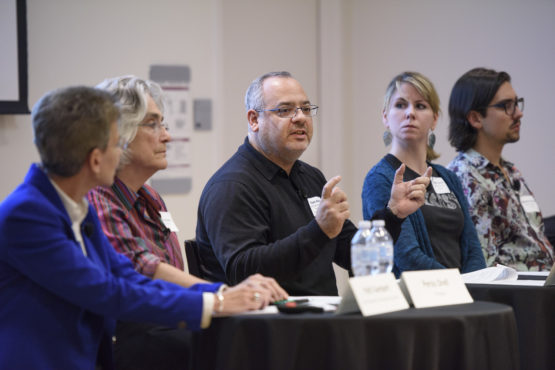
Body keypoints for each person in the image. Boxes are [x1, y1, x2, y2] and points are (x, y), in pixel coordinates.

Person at [0, 86, 276, 370]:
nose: (122, 153)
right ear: (95, 159)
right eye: (118, 144)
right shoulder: (27, 214)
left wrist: (220, 293)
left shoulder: (75, 204)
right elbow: (107, 292)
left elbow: (125, 275)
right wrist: (215, 304)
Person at [87, 76, 287, 370]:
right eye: (152, 125)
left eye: (163, 124)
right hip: (127, 342)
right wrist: (221, 295)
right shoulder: (97, 198)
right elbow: (141, 268)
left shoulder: (150, 197)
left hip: (163, 331)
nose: (166, 136)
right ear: (119, 132)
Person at [196, 71, 431, 296]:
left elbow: (350, 254)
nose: (300, 118)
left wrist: (393, 214)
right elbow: (243, 272)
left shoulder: (310, 177)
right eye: (285, 110)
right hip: (267, 326)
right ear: (254, 119)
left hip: (319, 319)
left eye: (306, 109)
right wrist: (318, 231)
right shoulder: (232, 186)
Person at [362, 71, 486, 277]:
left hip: (463, 294)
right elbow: (406, 256)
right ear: (385, 116)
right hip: (418, 298)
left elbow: (473, 248)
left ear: (435, 119)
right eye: (400, 105)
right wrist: (457, 285)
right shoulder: (381, 178)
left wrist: (474, 285)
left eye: (420, 106)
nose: (410, 113)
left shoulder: (448, 178)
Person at [447, 67, 554, 270]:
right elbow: (487, 267)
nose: (519, 113)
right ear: (476, 118)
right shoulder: (465, 177)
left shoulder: (509, 171)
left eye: (517, 103)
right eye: (507, 106)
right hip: (520, 295)